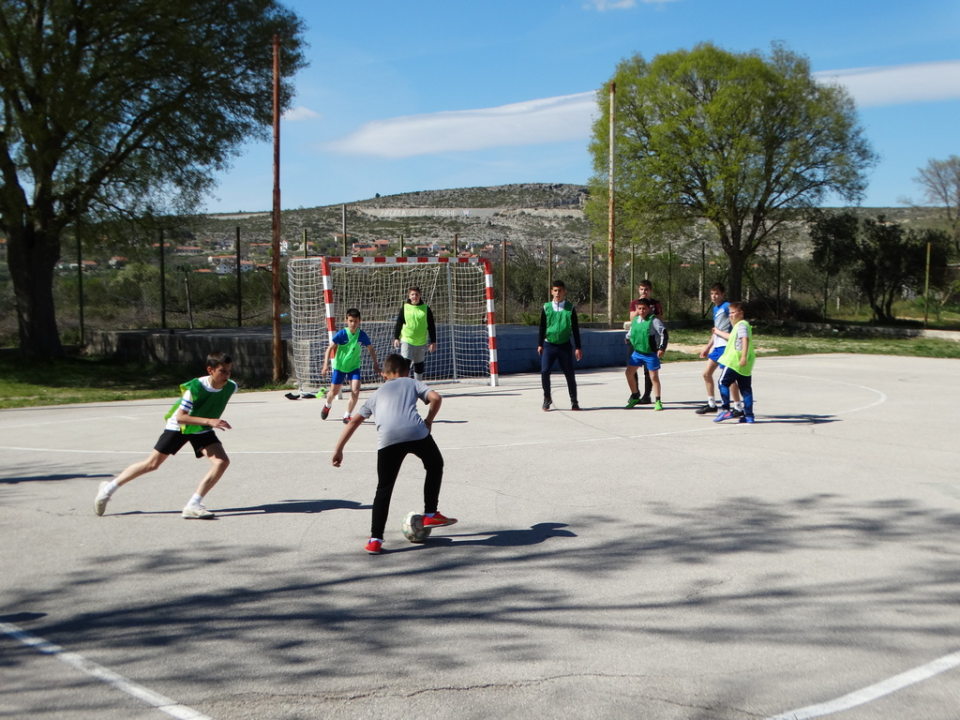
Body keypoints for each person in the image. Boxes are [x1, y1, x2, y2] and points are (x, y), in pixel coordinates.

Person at [331, 354, 455, 554]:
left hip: (388, 439)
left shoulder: (376, 394)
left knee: (384, 489)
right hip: (416, 432)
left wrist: (338, 449)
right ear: (406, 371)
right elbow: (436, 398)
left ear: (384, 375)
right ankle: (431, 512)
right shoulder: (411, 382)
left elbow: (354, 421)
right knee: (434, 465)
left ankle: (375, 540)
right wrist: (429, 420)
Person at [93, 351, 237, 519]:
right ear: (210, 370)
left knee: (221, 462)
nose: (226, 375)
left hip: (201, 427)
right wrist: (209, 421)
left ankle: (193, 505)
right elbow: (181, 417)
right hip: (180, 426)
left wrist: (208, 421)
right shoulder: (195, 388)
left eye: (229, 371)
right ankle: (107, 490)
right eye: (222, 371)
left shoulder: (231, 386)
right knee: (152, 464)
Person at [321, 308, 381, 424]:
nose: (353, 324)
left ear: (359, 321)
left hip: (354, 367)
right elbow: (329, 348)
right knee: (333, 392)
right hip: (340, 367)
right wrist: (325, 365)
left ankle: (347, 415)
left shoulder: (362, 335)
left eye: (356, 321)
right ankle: (327, 405)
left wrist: (376, 364)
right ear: (346, 321)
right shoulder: (342, 334)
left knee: (355, 390)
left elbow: (371, 349)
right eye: (351, 321)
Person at [537, 280, 583, 411]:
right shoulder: (546, 307)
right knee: (545, 371)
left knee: (569, 373)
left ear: (564, 292)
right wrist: (540, 344)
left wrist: (578, 347)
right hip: (549, 344)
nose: (558, 293)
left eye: (560, 290)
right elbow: (542, 327)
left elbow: (575, 329)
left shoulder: (570, 308)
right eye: (555, 290)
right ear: (551, 291)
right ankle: (547, 398)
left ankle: (574, 400)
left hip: (564, 345)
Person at [696, 283, 742, 415]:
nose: (714, 296)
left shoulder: (727, 307)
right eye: (712, 293)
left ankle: (738, 406)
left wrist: (736, 339)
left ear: (723, 294)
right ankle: (711, 403)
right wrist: (707, 347)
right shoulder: (716, 309)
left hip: (726, 346)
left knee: (729, 378)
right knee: (706, 374)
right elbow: (716, 330)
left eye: (717, 293)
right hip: (717, 346)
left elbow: (736, 323)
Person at [714, 302, 756, 423]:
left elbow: (745, 339)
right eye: (730, 313)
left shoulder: (742, 325)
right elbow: (730, 337)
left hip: (735, 361)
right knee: (745, 389)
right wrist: (717, 331)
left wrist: (743, 356)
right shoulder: (740, 326)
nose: (731, 315)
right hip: (746, 363)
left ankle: (726, 409)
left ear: (741, 313)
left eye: (733, 312)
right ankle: (749, 415)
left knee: (722, 382)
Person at [625, 298, 668, 410]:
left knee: (653, 376)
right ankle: (635, 396)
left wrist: (661, 348)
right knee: (629, 373)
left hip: (650, 353)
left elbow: (663, 333)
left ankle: (658, 400)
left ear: (649, 309)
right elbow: (632, 331)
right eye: (640, 308)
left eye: (644, 308)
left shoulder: (653, 320)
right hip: (638, 352)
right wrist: (628, 338)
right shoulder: (635, 320)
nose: (642, 310)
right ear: (636, 309)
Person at [628, 280, 664, 405]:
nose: (644, 292)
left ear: (650, 290)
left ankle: (647, 395)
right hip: (636, 341)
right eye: (642, 289)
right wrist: (640, 307)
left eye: (646, 289)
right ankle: (635, 392)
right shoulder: (635, 303)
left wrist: (660, 345)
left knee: (649, 371)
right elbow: (632, 319)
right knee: (632, 368)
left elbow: (660, 321)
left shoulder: (655, 304)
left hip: (649, 342)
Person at [393, 286, 436, 382]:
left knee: (419, 364)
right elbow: (399, 323)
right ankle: (405, 384)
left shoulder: (425, 309)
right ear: (409, 296)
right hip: (407, 339)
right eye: (412, 294)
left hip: (420, 341)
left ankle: (418, 385)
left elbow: (431, 326)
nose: (414, 296)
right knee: (405, 363)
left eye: (416, 294)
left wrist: (433, 341)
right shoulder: (405, 307)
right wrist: (396, 337)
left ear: (420, 296)